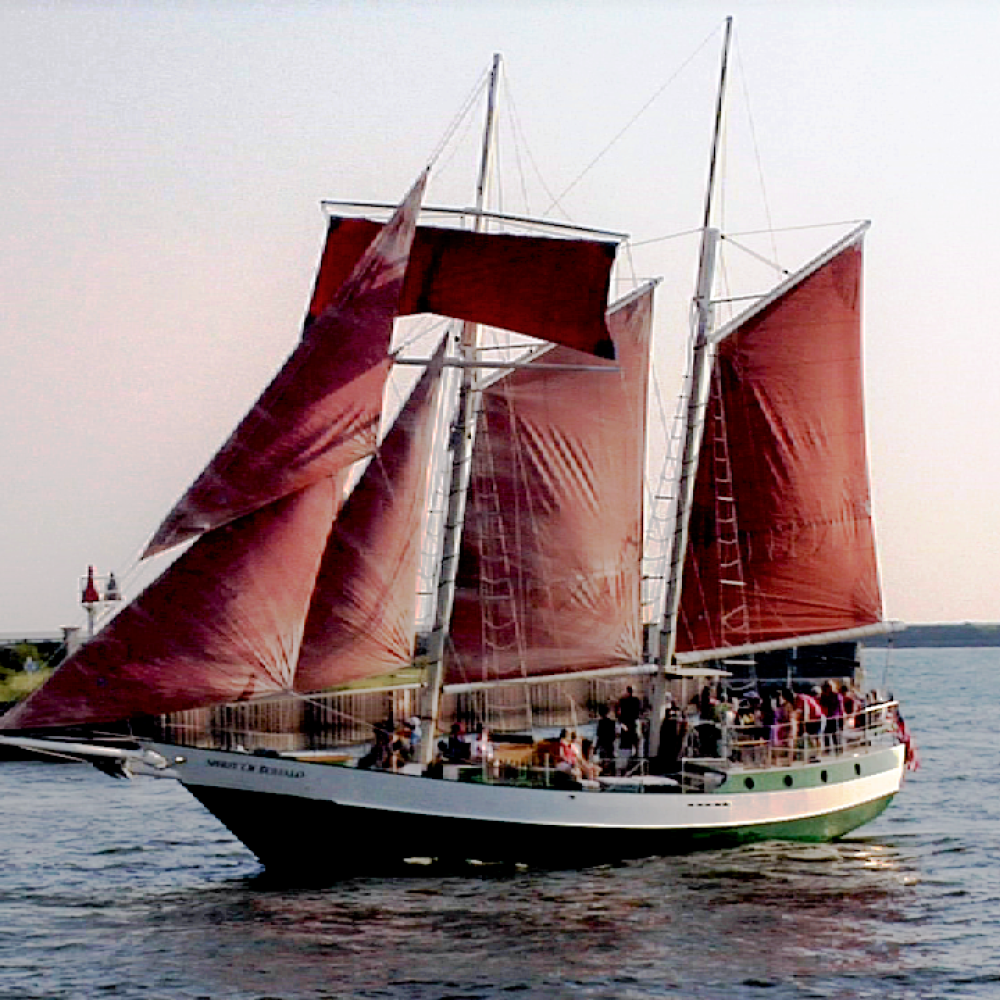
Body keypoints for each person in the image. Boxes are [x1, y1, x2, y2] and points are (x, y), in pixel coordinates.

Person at [617, 686, 642, 755]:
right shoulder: (636, 700)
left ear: (627, 692)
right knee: (635, 743)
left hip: (626, 725)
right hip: (633, 724)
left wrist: (620, 722)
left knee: (626, 745)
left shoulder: (622, 701)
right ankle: (635, 758)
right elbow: (638, 712)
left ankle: (627, 759)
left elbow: (619, 713)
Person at [596, 703, 617, 773]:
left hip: (602, 744)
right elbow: (614, 735)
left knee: (602, 759)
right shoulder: (612, 723)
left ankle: (603, 771)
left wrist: (596, 747)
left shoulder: (600, 723)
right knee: (611, 759)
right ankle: (612, 772)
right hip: (610, 744)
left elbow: (598, 735)